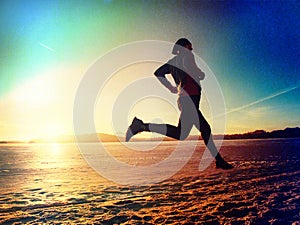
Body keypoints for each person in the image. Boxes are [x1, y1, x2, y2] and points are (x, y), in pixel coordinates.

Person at [125, 38, 233, 170]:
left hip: (184, 99)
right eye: (189, 46)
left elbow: (158, 72)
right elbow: (189, 66)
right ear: (183, 47)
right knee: (203, 129)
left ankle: (141, 126)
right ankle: (141, 126)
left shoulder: (172, 62)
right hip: (189, 99)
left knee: (183, 133)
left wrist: (170, 87)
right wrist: (199, 73)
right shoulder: (187, 55)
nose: (191, 49)